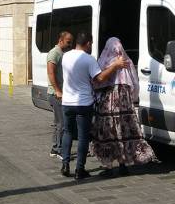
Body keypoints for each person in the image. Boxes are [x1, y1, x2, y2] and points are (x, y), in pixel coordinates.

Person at [60, 32, 129, 180]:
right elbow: (100, 78)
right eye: (91, 44)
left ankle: (65, 164)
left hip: (66, 102)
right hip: (83, 104)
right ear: (88, 43)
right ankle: (80, 169)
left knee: (67, 133)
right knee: (83, 137)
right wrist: (115, 65)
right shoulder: (89, 59)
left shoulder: (65, 56)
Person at [92, 37, 154, 177]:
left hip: (108, 107)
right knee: (123, 133)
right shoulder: (127, 62)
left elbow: (97, 82)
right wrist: (132, 98)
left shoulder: (103, 61)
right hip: (125, 107)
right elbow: (135, 84)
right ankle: (123, 164)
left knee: (109, 133)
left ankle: (108, 166)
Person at [47, 31, 73, 158]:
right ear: (61, 40)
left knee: (59, 122)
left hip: (60, 93)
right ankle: (58, 149)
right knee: (62, 123)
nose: (70, 44)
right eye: (68, 42)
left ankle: (55, 148)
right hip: (55, 94)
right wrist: (57, 90)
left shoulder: (62, 53)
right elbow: (50, 72)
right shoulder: (55, 52)